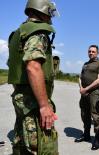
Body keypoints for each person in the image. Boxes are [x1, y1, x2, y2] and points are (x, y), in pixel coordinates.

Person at [7, 0, 59, 154]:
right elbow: (33, 66)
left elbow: (14, 67)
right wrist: (43, 105)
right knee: (43, 147)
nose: (51, 17)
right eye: (50, 13)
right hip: (33, 102)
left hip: (22, 99)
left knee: (22, 144)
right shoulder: (37, 32)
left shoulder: (19, 33)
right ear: (43, 11)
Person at [74, 45, 99, 150]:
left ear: (97, 53)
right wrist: (81, 88)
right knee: (84, 114)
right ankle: (86, 134)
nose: (91, 53)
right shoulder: (85, 64)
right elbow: (80, 77)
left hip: (94, 93)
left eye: (93, 51)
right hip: (84, 93)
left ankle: (97, 139)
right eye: (89, 51)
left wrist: (86, 89)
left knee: (95, 116)